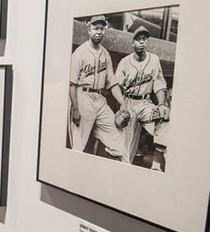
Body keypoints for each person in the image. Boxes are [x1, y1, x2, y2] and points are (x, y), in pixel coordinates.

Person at [67, 15, 127, 159]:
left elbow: (112, 82)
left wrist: (123, 104)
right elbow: (72, 84)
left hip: (99, 99)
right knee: (78, 146)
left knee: (117, 137)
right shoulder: (80, 53)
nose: (99, 31)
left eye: (102, 28)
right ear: (89, 30)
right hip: (82, 96)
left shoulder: (105, 54)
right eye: (96, 28)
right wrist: (75, 109)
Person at [115, 26, 171, 170]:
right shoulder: (125, 62)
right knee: (125, 150)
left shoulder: (154, 60)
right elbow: (116, 87)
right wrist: (121, 107)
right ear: (133, 43)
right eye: (138, 39)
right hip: (128, 102)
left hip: (145, 103)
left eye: (144, 39)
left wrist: (162, 104)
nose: (141, 42)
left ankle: (156, 165)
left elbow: (159, 85)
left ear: (147, 42)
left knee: (164, 117)